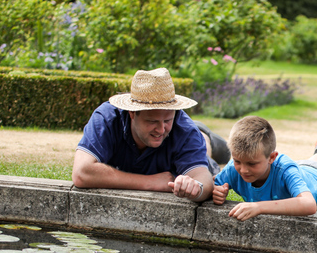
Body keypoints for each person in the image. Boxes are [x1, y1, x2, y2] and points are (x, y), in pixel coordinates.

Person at [72, 67, 230, 202]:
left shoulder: (186, 130)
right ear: (132, 113)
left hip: (199, 142)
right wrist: (151, 182)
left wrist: (195, 188)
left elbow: (204, 181)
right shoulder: (107, 119)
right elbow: (81, 173)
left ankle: (205, 135)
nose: (161, 130)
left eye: (167, 120)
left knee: (203, 144)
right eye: (152, 122)